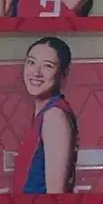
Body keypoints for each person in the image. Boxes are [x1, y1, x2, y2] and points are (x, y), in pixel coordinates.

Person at [12, 37, 78, 194]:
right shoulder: (43, 114)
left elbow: (56, 196)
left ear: (63, 74)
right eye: (31, 62)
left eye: (48, 66)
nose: (36, 73)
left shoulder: (54, 116)